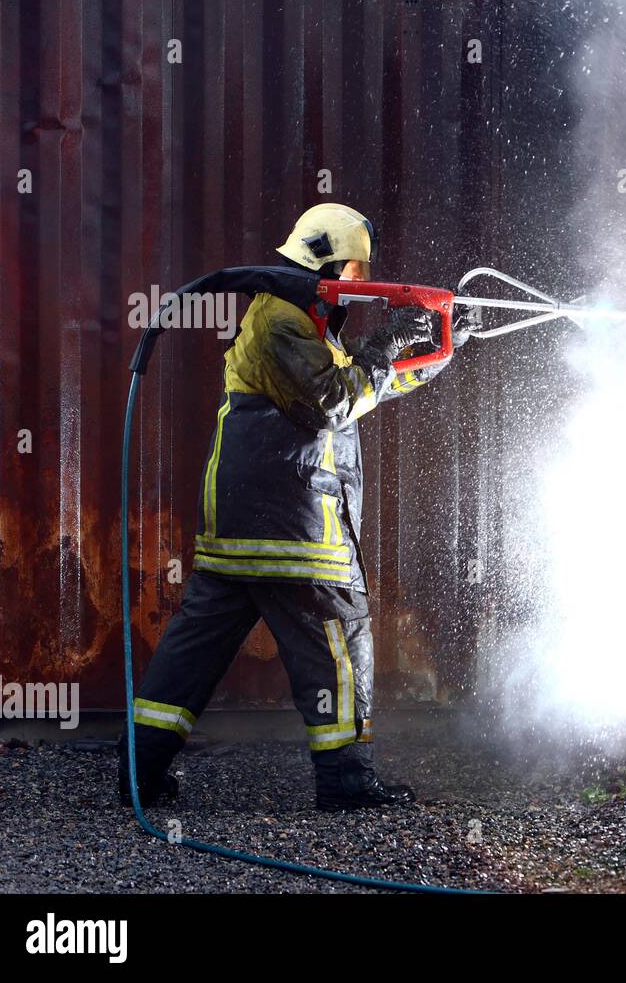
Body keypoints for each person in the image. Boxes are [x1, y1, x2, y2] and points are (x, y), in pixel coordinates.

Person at [119, 202, 467, 811]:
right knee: (339, 637)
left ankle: (137, 771)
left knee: (194, 650)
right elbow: (332, 404)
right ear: (330, 260)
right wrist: (388, 342)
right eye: (356, 267)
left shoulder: (302, 323)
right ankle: (347, 782)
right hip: (293, 526)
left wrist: (434, 352)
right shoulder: (283, 321)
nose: (360, 282)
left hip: (243, 527)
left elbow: (361, 388)